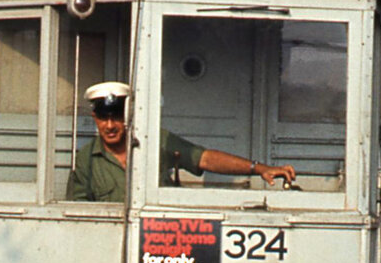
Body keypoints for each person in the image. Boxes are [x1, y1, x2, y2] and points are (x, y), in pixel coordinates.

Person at [66, 81, 295, 202]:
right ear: (94, 118)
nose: (110, 126)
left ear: (128, 116)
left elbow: (204, 158)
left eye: (116, 117)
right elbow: (76, 217)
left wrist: (260, 169)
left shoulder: (156, 141)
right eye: (103, 118)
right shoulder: (86, 161)